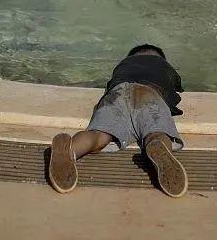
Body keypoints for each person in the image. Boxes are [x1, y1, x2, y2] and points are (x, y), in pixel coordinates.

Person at [47, 44, 188, 197]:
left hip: (118, 91)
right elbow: (176, 88)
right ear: (160, 57)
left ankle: (71, 149)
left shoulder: (123, 65)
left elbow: (109, 86)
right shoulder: (163, 65)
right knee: (156, 132)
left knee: (99, 135)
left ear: (130, 57)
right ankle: (157, 144)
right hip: (150, 92)